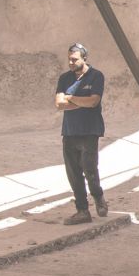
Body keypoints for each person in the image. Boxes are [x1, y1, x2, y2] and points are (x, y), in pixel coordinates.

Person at [55, 43, 108, 225]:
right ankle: (82, 210)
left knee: (89, 168)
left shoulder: (96, 76)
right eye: (69, 59)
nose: (70, 62)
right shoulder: (64, 78)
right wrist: (80, 102)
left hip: (89, 131)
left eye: (74, 59)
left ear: (84, 58)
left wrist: (70, 98)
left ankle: (98, 196)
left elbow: (94, 101)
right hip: (70, 132)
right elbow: (59, 104)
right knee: (73, 173)